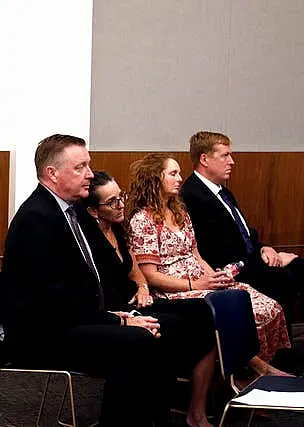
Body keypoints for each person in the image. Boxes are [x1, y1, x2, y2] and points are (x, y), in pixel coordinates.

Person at [3, 134, 204, 427]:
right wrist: (119, 320)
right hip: (47, 333)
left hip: (79, 317)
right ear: (52, 174)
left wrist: (129, 305)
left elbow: (106, 273)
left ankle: (153, 419)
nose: (89, 174)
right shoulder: (37, 218)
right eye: (80, 167)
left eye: (89, 165)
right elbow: (54, 301)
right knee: (138, 340)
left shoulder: (75, 212)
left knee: (171, 325)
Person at [126, 153, 291, 374]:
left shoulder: (179, 211)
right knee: (239, 309)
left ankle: (257, 369)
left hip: (201, 280)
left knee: (264, 303)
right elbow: (152, 276)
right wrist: (198, 284)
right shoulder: (143, 220)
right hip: (174, 289)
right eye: (173, 173)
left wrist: (214, 277)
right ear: (155, 179)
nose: (179, 178)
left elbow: (195, 254)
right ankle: (253, 370)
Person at [78, 170, 217, 427]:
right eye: (112, 202)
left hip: (135, 298)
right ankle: (156, 411)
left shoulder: (118, 228)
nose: (121, 205)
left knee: (203, 311)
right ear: (93, 211)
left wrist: (142, 286)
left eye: (121, 197)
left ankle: (195, 410)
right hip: (114, 307)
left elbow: (134, 270)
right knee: (168, 326)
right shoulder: (87, 238)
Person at [180, 131, 304, 331]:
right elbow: (216, 251)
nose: (232, 161)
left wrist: (266, 249)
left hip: (249, 260)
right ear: (204, 159)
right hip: (229, 270)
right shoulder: (193, 196)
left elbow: (244, 234)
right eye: (225, 155)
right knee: (285, 277)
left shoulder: (223, 191)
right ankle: (280, 354)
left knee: (299, 266)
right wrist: (263, 258)